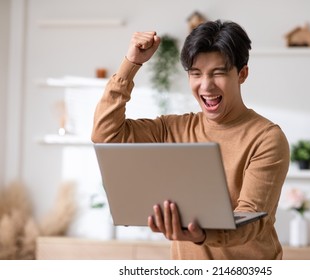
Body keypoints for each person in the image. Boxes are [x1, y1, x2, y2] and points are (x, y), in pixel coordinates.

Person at [91, 19, 290, 260]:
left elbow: (251, 219)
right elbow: (106, 135)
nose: (206, 86)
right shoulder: (172, 128)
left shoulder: (267, 138)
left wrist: (200, 234)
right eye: (196, 74)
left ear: (242, 74)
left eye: (218, 73)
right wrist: (131, 64)